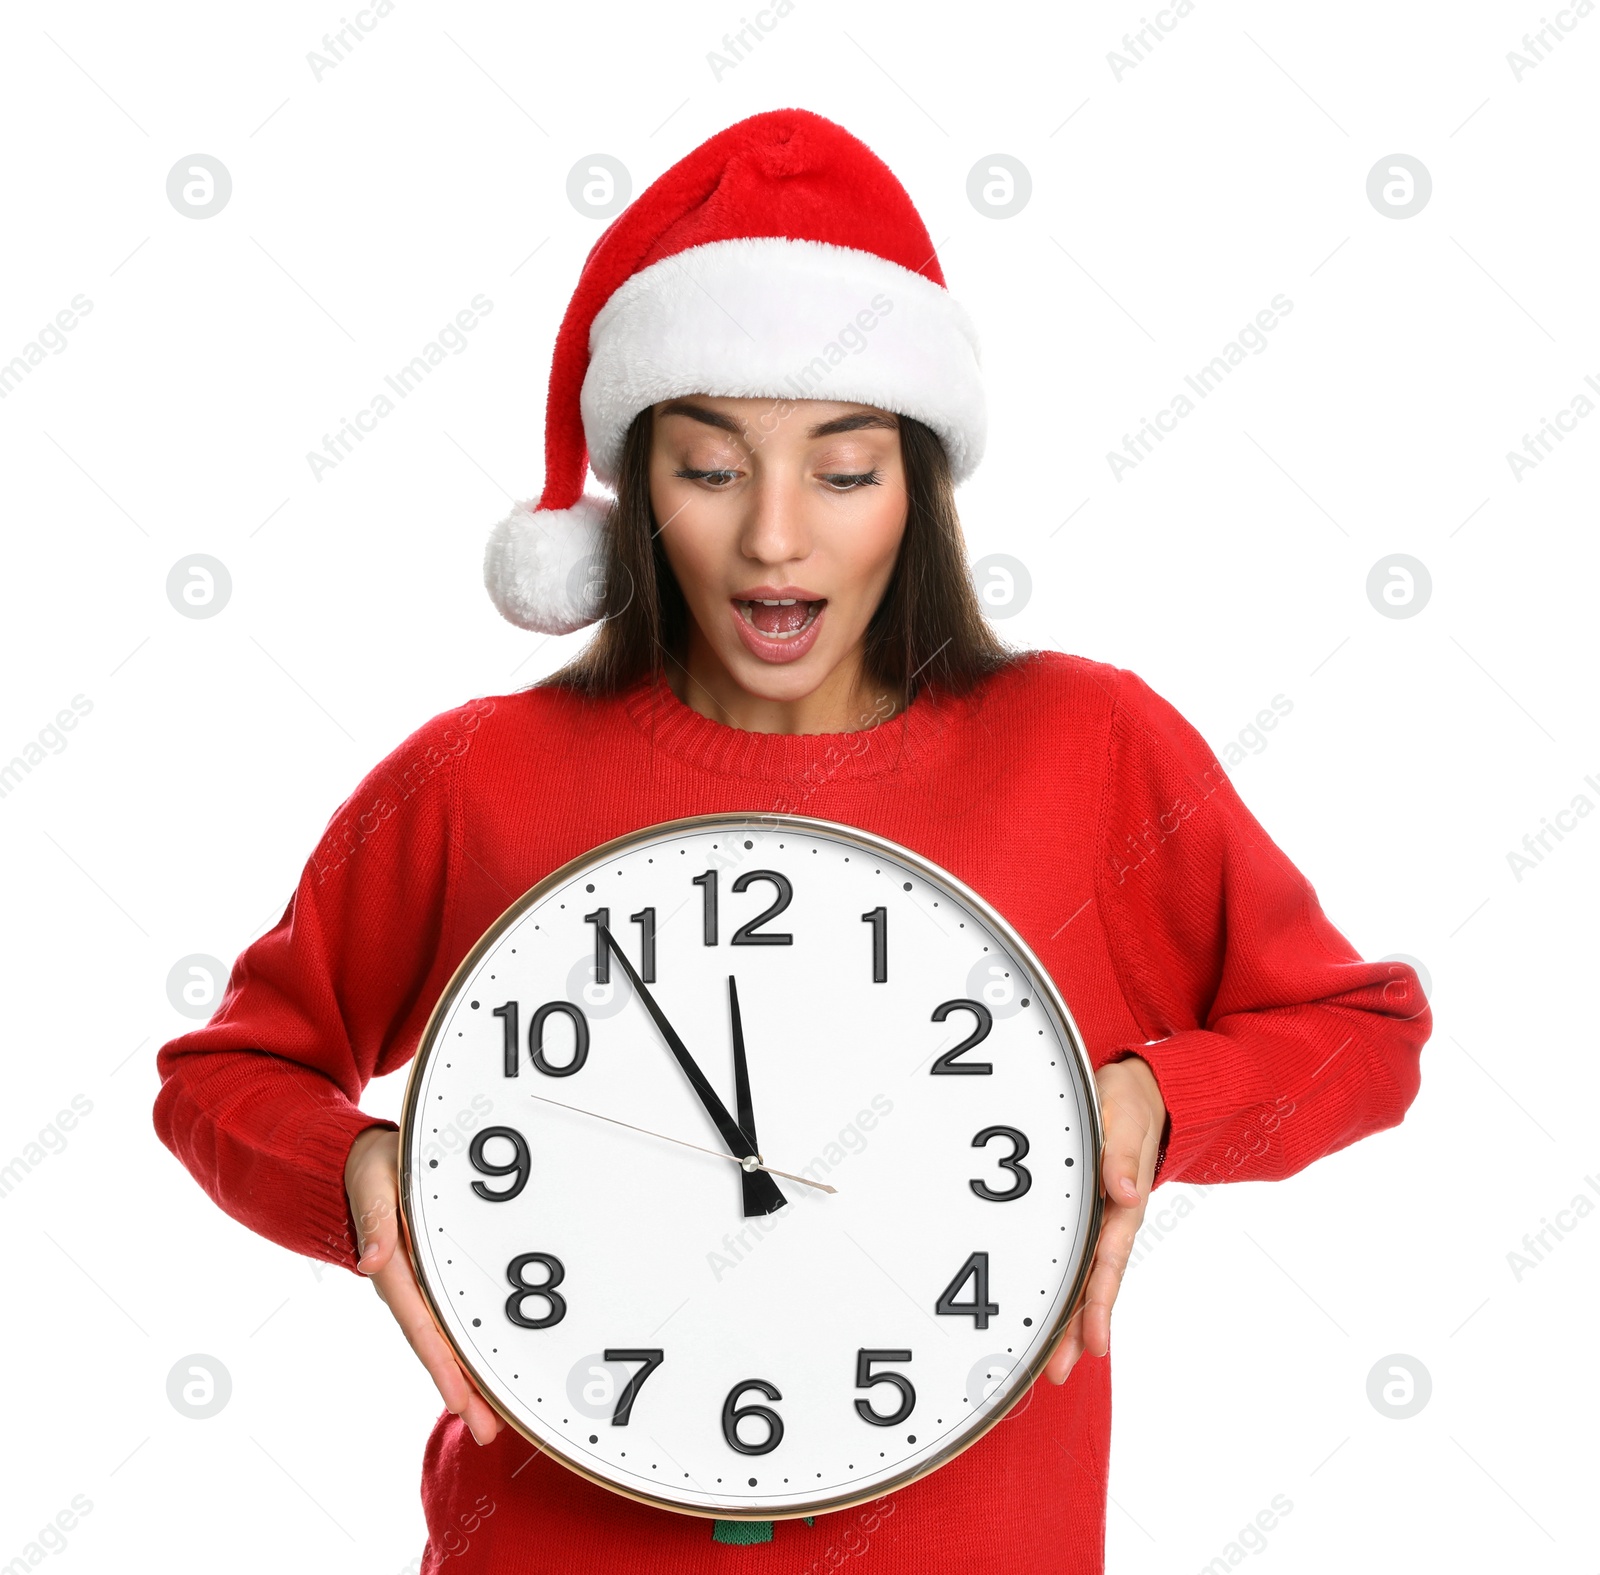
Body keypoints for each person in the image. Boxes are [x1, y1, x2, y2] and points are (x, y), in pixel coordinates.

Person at [153, 108, 1430, 1574]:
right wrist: (356, 1174)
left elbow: (1365, 1033)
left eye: (842, 470)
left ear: (920, 489)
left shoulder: (1090, 749)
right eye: (710, 470)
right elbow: (226, 1075)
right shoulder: (475, 778)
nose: (775, 539)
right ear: (637, 491)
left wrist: (1155, 1100)